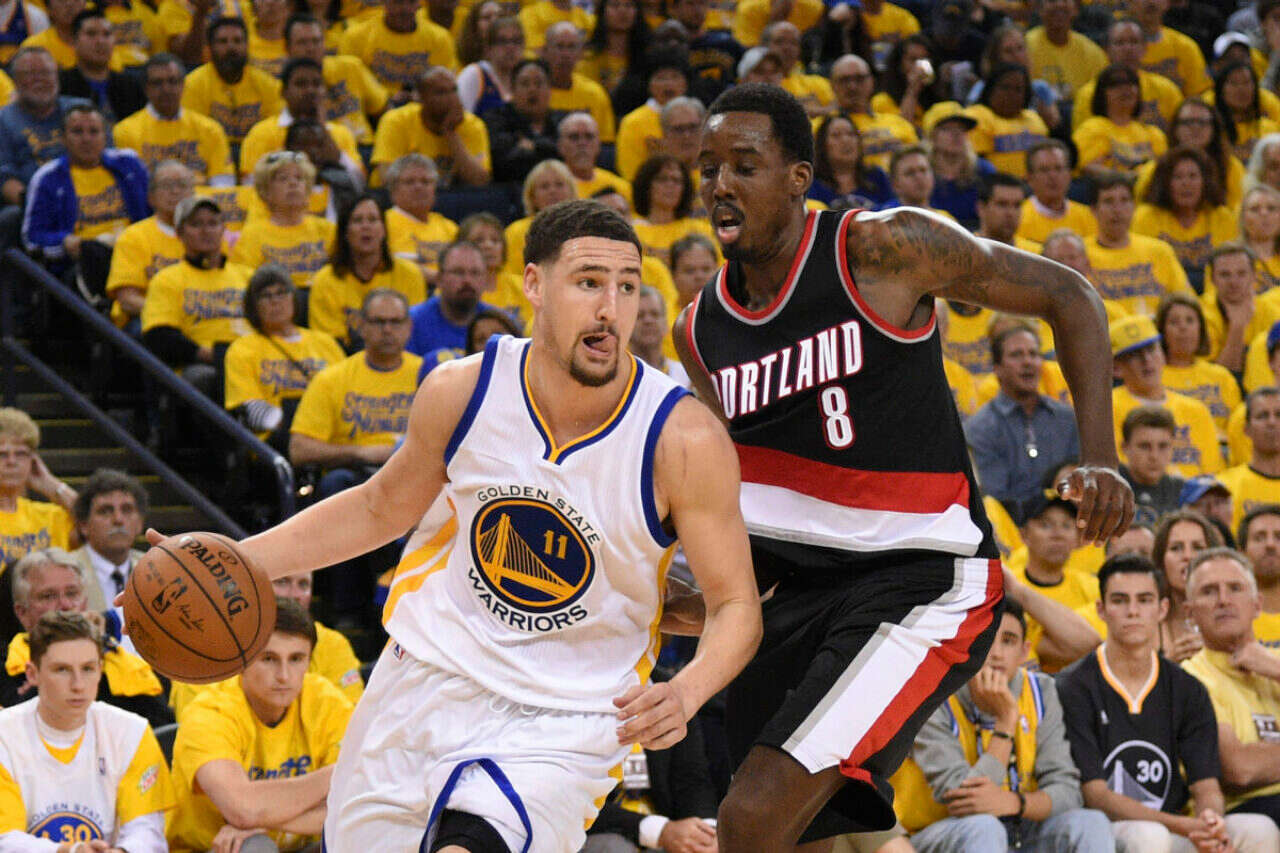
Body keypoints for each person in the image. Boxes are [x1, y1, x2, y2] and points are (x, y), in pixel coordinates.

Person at [138, 198, 770, 851]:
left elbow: (736, 605)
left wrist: (686, 691)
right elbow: (378, 507)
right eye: (589, 282)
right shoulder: (464, 390)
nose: (611, 307)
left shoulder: (683, 437)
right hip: (427, 676)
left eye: (628, 286)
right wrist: (232, 560)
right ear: (533, 285)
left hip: (566, 714)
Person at [680, 83, 1132, 848]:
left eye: (744, 166)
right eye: (708, 168)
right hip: (799, 596)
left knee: (749, 818)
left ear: (797, 178)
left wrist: (1101, 458)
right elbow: (750, 504)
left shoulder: (882, 248)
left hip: (924, 577)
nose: (721, 183)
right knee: (801, 836)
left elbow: (1069, 293)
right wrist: (685, 592)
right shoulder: (701, 330)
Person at [1058, 554, 1279, 853]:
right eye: (1120, 600)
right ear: (1101, 609)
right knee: (1149, 836)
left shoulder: (1187, 688)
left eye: (1144, 600)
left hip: (1178, 827)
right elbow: (1096, 795)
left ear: (1162, 609)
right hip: (1107, 831)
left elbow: (1207, 786)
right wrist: (1183, 826)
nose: (1133, 611)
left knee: (1257, 829)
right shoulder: (1073, 686)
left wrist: (1210, 821)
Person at [890, 600, 1113, 852]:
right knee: (984, 827)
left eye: (1008, 641)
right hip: (941, 832)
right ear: (967, 645)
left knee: (1091, 823)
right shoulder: (933, 695)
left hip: (1021, 826)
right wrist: (1005, 723)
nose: (996, 653)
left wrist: (1014, 802)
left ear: (1024, 652)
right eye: (986, 639)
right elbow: (964, 801)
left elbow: (1067, 791)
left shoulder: (1041, 691)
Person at [166, 599, 355, 853]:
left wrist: (263, 818)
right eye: (269, 659)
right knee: (255, 847)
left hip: (298, 845)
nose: (284, 676)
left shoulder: (325, 701)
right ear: (240, 662)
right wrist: (337, 774)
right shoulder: (209, 712)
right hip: (214, 848)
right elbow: (242, 808)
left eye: (296, 659)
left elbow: (354, 806)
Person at [0, 610, 175, 852]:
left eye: (88, 669)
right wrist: (68, 851)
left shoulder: (132, 732)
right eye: (62, 670)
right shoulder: (5, 735)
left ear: (101, 669)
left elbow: (148, 831)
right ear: (33, 673)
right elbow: (5, 839)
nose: (78, 684)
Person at [3, 548, 171, 727]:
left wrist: (97, 649)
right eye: (48, 596)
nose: (65, 605)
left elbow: (163, 729)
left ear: (85, 601)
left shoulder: (120, 660)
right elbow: (17, 725)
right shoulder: (6, 664)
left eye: (72, 593)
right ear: (22, 612)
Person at [289, 288, 421, 501]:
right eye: (378, 322)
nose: (387, 330)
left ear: (409, 327)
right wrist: (359, 452)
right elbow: (299, 449)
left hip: (415, 474)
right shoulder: (331, 379)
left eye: (395, 322)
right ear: (361, 326)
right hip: (356, 477)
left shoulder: (427, 375)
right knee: (337, 481)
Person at [1182, 548, 1280, 826]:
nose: (1223, 600)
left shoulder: (1276, 663)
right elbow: (1239, 769)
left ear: (1257, 605)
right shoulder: (1191, 678)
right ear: (1190, 613)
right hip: (1244, 811)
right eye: (1209, 591)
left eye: (1235, 588)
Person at [582, 668, 719, 853]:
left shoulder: (670, 688)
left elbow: (692, 781)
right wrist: (657, 830)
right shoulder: (572, 690)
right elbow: (570, 797)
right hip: (599, 830)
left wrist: (706, 833)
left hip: (666, 827)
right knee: (613, 848)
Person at [21, 103, 149, 285]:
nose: (86, 139)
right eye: (77, 132)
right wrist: (63, 242)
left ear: (105, 136)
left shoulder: (129, 164)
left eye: (94, 131)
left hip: (137, 251)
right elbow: (32, 239)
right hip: (84, 262)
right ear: (63, 138)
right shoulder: (47, 178)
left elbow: (155, 212)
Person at [140, 196, 251, 399]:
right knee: (209, 378)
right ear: (179, 233)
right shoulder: (167, 279)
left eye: (213, 223)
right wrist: (215, 356)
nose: (206, 231)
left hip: (251, 359)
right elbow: (159, 336)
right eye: (196, 224)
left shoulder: (248, 276)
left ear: (223, 230)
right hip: (202, 364)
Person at [225, 264, 344, 452]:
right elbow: (249, 409)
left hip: (331, 433)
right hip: (277, 438)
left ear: (294, 297)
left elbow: (346, 395)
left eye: (281, 293)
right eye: (265, 295)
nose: (275, 301)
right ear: (253, 305)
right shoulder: (242, 348)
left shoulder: (325, 343)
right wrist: (303, 425)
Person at [965, 324, 1079, 516]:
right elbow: (996, 501)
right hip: (1010, 529)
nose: (1027, 362)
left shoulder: (1067, 419)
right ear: (997, 369)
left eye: (1033, 354)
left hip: (1071, 525)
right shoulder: (978, 429)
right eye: (1016, 355)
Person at [312, 193, 428, 352]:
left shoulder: (410, 274)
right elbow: (329, 345)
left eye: (373, 220)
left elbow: (415, 332)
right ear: (345, 232)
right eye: (357, 220)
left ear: (384, 230)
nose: (366, 226)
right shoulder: (325, 280)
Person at [1110, 314, 1223, 477]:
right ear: (1116, 368)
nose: (1147, 360)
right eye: (1134, 355)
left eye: (1151, 350)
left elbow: (1212, 473)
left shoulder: (1196, 410)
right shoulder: (1106, 409)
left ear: (1163, 354)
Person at [111, 53, 234, 187]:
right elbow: (129, 188)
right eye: (157, 83)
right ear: (146, 89)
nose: (166, 89)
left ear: (183, 85)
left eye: (172, 81)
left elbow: (223, 185)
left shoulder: (210, 129)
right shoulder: (125, 132)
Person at [238, 57, 363, 187]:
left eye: (317, 84)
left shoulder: (341, 133)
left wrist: (323, 132)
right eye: (301, 84)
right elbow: (250, 185)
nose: (310, 90)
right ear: (283, 92)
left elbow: (358, 183)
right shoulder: (262, 133)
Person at [1086, 171, 1195, 318]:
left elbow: (1187, 302)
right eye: (1108, 201)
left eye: (1124, 200)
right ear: (1093, 210)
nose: (1117, 210)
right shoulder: (1080, 254)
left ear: (1134, 207)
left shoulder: (1160, 251)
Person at [1133, 147, 1240, 292]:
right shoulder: (1145, 217)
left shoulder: (1223, 217)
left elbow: (1230, 269)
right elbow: (1144, 274)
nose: (1186, 184)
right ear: (1165, 183)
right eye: (1178, 177)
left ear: (1205, 181)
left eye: (1193, 176)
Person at [231, 150, 336, 296]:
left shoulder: (328, 229)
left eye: (299, 178)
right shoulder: (252, 235)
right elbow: (247, 284)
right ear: (266, 192)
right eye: (283, 178)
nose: (293, 183)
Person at [370, 67, 491, 189]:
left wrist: (451, 134)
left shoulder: (472, 125)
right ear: (421, 98)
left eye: (454, 90)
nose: (451, 98)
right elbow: (388, 179)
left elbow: (480, 181)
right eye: (441, 92)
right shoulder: (396, 120)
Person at [0, 47, 82, 216]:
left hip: (89, 194)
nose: (38, 80)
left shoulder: (81, 111)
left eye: (45, 72)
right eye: (29, 74)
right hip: (34, 205)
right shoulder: (4, 120)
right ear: (15, 80)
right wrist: (39, 206)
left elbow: (106, 157)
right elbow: (4, 177)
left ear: (57, 76)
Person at [284, 13, 386, 147]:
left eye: (316, 41)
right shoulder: (286, 85)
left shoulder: (350, 66)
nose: (310, 48)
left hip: (363, 146)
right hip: (317, 148)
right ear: (287, 48)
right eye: (302, 42)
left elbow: (382, 109)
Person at [180, 16, 284, 145]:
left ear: (247, 46)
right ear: (210, 48)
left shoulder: (268, 84)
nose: (231, 47)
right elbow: (193, 134)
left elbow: (276, 131)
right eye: (223, 41)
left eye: (237, 41)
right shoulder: (192, 84)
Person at [1073, 20, 1183, 135]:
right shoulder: (1089, 94)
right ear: (1106, 50)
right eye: (1120, 43)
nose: (1128, 49)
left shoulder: (1167, 90)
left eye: (1134, 42)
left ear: (1145, 48)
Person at [1136, 98, 1246, 213]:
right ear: (1175, 128)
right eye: (1187, 122)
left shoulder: (1231, 167)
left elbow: (1240, 210)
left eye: (1202, 122)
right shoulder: (1154, 169)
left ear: (1214, 128)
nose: (1195, 127)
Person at [0, 408, 77, 570]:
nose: (12, 461)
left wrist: (52, 485)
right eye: (2, 454)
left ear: (33, 461)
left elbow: (98, 526)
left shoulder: (50, 517)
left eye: (21, 454)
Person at [1158, 291, 1242, 436]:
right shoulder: (1154, 378)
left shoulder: (1222, 377)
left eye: (1190, 320)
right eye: (1174, 322)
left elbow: (1238, 427)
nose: (1183, 327)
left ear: (1201, 329)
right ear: (1162, 332)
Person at [406, 241, 497, 372]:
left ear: (485, 280)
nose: (467, 280)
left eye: (475, 273)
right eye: (458, 272)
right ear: (439, 279)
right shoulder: (410, 323)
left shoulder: (500, 324)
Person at [337, 0, 457, 99]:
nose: (405, 9)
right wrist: (386, 98)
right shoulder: (355, 37)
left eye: (411, 2)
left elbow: (445, 85)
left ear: (419, 4)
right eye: (397, 2)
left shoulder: (440, 38)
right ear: (384, 3)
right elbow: (351, 86)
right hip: (374, 109)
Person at [68, 468, 145, 619]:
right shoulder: (64, 571)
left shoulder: (156, 569)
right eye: (105, 511)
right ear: (83, 525)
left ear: (140, 524)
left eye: (127, 510)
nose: (118, 519)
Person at [827, 54, 918, 174]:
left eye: (859, 79)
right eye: (844, 80)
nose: (852, 86)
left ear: (872, 82)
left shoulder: (898, 122)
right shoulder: (823, 129)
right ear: (832, 85)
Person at [1073, 64, 1168, 177]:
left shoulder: (1153, 134)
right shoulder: (1091, 129)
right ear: (1102, 94)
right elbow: (1086, 167)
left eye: (1132, 83)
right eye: (1116, 84)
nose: (1126, 90)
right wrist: (1125, 177)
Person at [483, 58, 567, 184]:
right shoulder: (496, 119)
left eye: (539, 83)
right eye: (525, 84)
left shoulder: (563, 121)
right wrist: (547, 149)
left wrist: (533, 146)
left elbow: (567, 153)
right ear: (512, 89)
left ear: (550, 89)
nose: (532, 89)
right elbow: (503, 161)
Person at [381, 154, 458, 288]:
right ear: (393, 190)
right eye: (409, 182)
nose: (418, 187)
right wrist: (437, 277)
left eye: (425, 182)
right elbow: (384, 264)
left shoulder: (449, 227)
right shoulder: (381, 223)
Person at [965, 63, 1051, 180]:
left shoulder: (1034, 118)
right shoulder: (977, 116)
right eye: (1005, 87)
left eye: (1018, 89)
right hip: (995, 186)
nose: (1011, 95)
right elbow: (977, 167)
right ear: (990, 89)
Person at [55, 9, 142, 123]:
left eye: (107, 34)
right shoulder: (60, 84)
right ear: (74, 41)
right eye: (91, 34)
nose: (100, 41)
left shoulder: (132, 86)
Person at [543, 22, 615, 143]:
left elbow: (605, 143)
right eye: (559, 46)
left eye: (571, 47)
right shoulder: (534, 91)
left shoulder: (594, 94)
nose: (565, 54)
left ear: (580, 53)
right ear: (545, 51)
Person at [1220, 388, 1280, 531]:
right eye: (1262, 416)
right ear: (1246, 429)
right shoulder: (1224, 487)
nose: (1272, 422)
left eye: (1279, 415)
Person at [1026, 0, 1107, 103]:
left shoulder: (1093, 53)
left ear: (1076, 9)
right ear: (1040, 9)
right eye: (1052, 1)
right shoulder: (1024, 46)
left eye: (1065, 0)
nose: (1059, 4)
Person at [1018, 140, 1097, 246]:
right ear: (1029, 178)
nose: (1053, 176)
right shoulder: (1018, 218)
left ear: (1069, 175)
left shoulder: (1089, 217)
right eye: (1044, 170)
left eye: (1058, 169)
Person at [808, 114, 893, 211]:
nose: (846, 140)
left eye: (851, 134)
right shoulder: (812, 182)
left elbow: (893, 209)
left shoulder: (876, 176)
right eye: (836, 135)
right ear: (822, 145)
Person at [1120, 405, 1187, 527]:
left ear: (1172, 447)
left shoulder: (1182, 491)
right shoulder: (1108, 486)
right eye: (1144, 446)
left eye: (1163, 446)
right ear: (1125, 448)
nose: (1154, 456)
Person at [456, 14, 522, 116]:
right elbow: (459, 117)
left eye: (516, 41)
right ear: (488, 48)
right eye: (502, 41)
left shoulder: (526, 76)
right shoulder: (474, 74)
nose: (510, 47)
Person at [1215, 61, 1280, 163]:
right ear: (1221, 90)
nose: (1241, 89)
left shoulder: (1269, 128)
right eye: (1234, 83)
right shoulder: (1212, 129)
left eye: (1246, 83)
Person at [558, 112, 631, 202]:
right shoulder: (551, 188)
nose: (582, 143)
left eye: (589, 137)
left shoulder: (621, 188)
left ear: (599, 144)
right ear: (560, 145)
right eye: (574, 137)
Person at [580, 0, 647, 95]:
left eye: (629, 5)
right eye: (615, 5)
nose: (622, 10)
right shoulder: (587, 58)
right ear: (603, 12)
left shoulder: (648, 56)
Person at [629, 285, 690, 387]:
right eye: (639, 315)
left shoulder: (685, 376)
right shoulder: (616, 376)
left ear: (666, 324)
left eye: (655, 314)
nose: (648, 321)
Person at [1239, 504, 1280, 647]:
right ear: (1242, 552)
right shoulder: (1228, 613)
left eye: (1279, 537)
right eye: (1259, 538)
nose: (1270, 544)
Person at [1243, 185, 1280, 292]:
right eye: (1254, 209)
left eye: (1271, 208)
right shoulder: (1229, 258)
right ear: (1243, 218)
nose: (1264, 214)